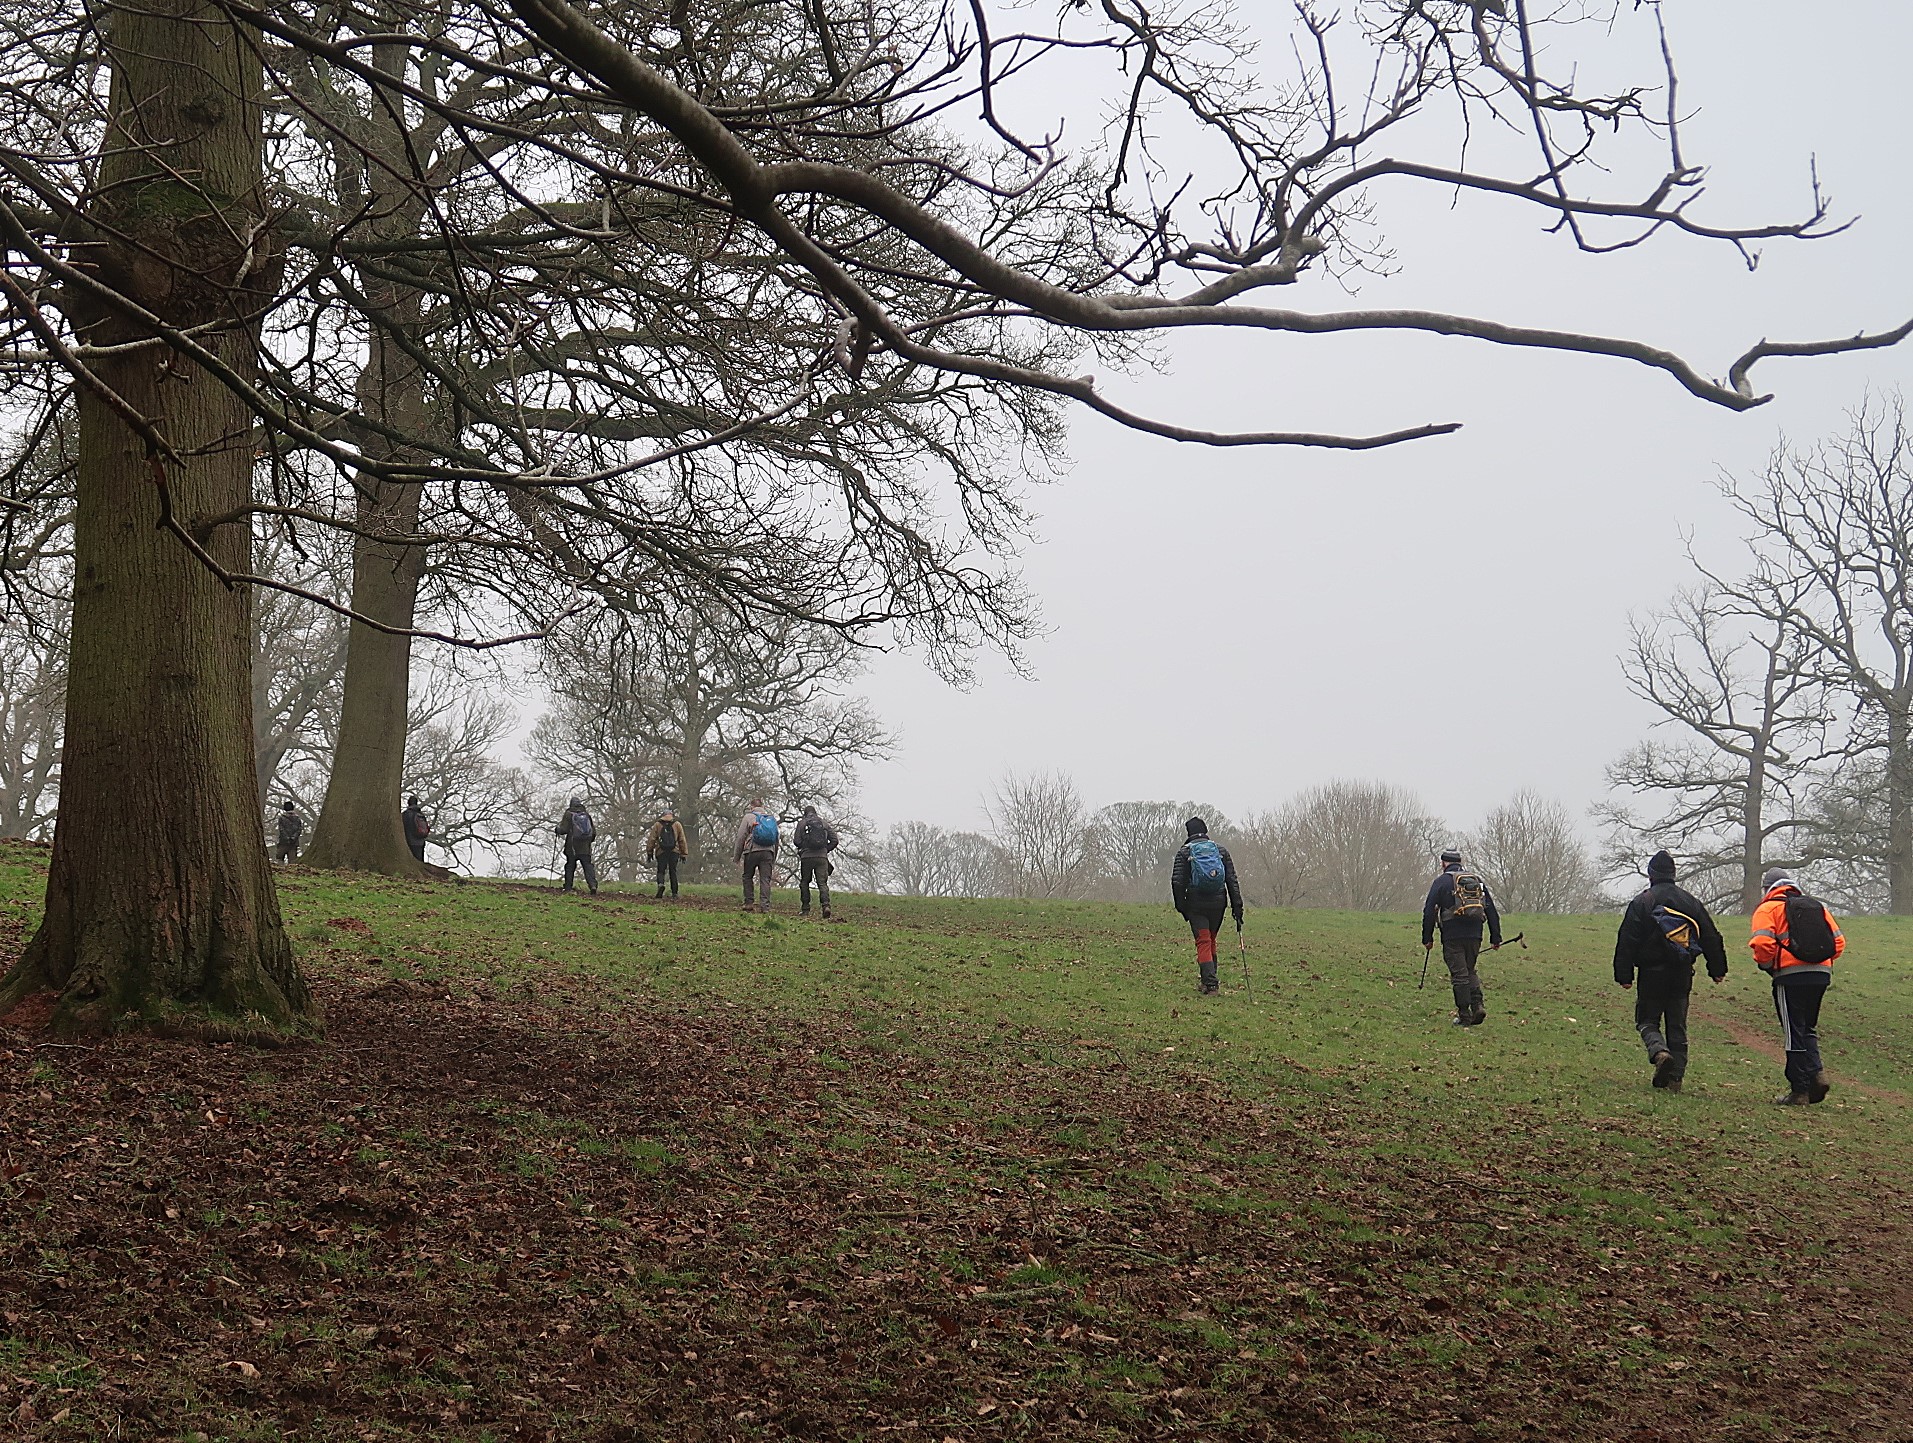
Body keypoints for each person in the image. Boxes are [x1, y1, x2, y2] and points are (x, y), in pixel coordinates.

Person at [1612, 850, 1728, 1092]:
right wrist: (1717, 969)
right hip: (1681, 972)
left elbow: (1627, 939)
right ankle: (1675, 1079)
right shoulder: (1690, 902)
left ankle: (1660, 1052)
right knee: (1677, 1026)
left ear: (1651, 874)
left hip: (1651, 973)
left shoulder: (1643, 902)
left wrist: (1624, 975)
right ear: (1673, 874)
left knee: (1647, 1020)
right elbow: (1710, 936)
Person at [1750, 868, 1844, 1106]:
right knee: (1807, 1028)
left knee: (1793, 1032)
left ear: (1768, 888)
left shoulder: (1768, 908)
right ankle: (1816, 1074)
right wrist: (1819, 961)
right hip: (1821, 974)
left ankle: (1799, 1090)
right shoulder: (1816, 907)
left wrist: (1769, 965)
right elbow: (1839, 942)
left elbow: (1762, 943)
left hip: (1789, 976)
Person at [1421, 848, 1503, 1026]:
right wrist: (1495, 938)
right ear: (1460, 862)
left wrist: (1427, 938)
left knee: (1459, 975)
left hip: (1452, 935)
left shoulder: (1441, 882)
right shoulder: (1476, 880)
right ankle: (1478, 1006)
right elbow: (1490, 909)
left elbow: (1429, 911)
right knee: (1470, 969)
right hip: (1475, 934)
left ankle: (1465, 1015)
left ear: (1444, 863)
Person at [1169, 817, 1243, 996]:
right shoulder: (1221, 851)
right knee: (1211, 939)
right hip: (1218, 903)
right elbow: (1231, 880)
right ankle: (1209, 980)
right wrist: (1237, 907)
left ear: (1189, 833)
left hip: (1196, 904)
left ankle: (1210, 985)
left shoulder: (1185, 853)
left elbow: (1177, 882)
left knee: (1203, 941)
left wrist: (1182, 907)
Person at [793, 804, 839, 919]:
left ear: (805, 814)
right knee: (822, 883)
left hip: (806, 857)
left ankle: (805, 909)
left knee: (805, 882)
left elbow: (797, 841)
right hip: (821, 857)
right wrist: (825, 850)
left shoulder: (802, 823)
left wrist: (804, 847)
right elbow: (834, 840)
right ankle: (826, 906)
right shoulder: (824, 823)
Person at [734, 801, 780, 912]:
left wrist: (737, 856)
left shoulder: (748, 817)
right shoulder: (771, 819)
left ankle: (749, 903)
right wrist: (773, 856)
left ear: (752, 807)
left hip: (752, 851)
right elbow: (776, 839)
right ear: (763, 807)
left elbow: (741, 837)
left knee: (747, 876)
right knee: (765, 879)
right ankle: (765, 906)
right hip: (768, 852)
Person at [646, 809, 689, 898]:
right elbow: (682, 839)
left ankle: (661, 884)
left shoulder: (658, 825)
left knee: (661, 870)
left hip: (661, 851)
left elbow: (652, 839)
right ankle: (674, 893)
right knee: (673, 871)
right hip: (674, 851)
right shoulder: (677, 824)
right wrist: (684, 853)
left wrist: (649, 852)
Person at [401, 795, 430, 862]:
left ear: (408, 803)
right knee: (420, 861)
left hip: (410, 842)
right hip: (421, 842)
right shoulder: (421, 814)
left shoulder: (406, 814)